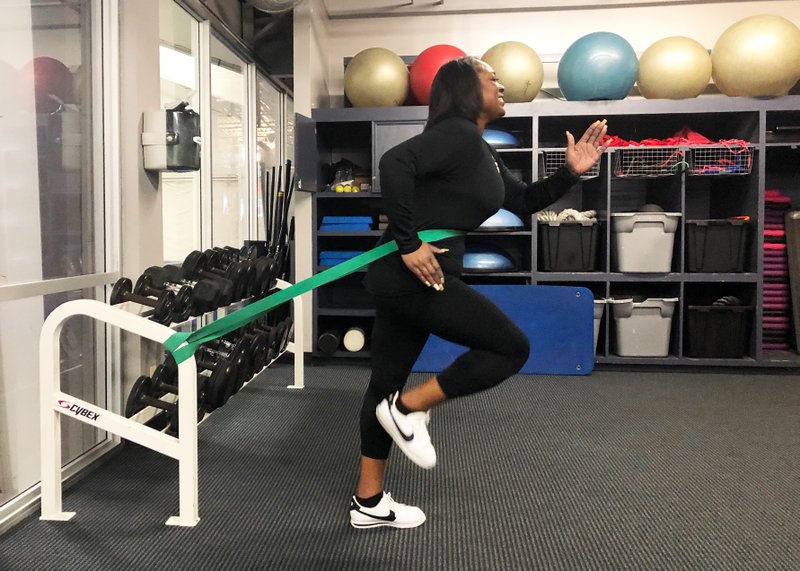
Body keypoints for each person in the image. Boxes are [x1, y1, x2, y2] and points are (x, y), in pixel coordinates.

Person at [348, 56, 607, 530]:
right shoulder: (457, 135)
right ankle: (408, 409)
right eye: (492, 78)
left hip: (410, 278)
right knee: (509, 347)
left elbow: (525, 201)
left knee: (383, 383)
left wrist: (571, 172)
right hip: (413, 275)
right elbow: (394, 161)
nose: (503, 84)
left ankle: (369, 503)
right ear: (467, 89)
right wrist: (408, 243)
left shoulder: (480, 150)